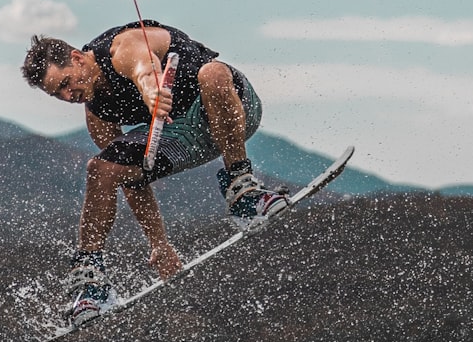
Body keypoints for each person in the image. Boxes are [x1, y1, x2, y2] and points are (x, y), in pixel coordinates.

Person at [21, 20, 288, 324]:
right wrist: (158, 243)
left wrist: (151, 91)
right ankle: (91, 282)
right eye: (58, 94)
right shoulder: (97, 112)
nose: (69, 95)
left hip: (232, 106)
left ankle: (244, 192)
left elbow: (144, 68)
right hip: (181, 138)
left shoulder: (122, 47)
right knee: (101, 169)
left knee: (212, 73)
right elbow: (133, 180)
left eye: (67, 82)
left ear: (77, 58)